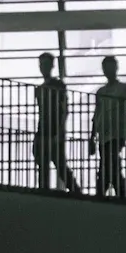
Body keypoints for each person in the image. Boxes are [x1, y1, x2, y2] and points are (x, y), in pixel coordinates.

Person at [89, 56, 126, 199]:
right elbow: (97, 115)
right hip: (104, 136)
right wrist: (92, 137)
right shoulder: (102, 91)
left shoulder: (123, 90)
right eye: (106, 68)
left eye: (110, 67)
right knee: (110, 166)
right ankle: (118, 194)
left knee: (107, 164)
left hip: (116, 135)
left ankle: (103, 194)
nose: (108, 71)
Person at [32, 52, 81, 193]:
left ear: (52, 66)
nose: (43, 68)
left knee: (58, 166)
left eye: (45, 64)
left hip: (51, 132)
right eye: (42, 64)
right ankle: (73, 192)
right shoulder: (41, 89)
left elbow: (64, 110)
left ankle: (73, 191)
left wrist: (59, 132)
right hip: (44, 132)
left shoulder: (55, 86)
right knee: (50, 166)